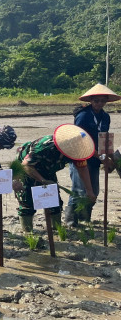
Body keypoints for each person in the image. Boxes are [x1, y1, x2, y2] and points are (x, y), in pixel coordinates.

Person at [15, 124, 96, 233]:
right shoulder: (46, 147)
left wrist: (89, 191)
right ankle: (27, 232)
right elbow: (26, 165)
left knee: (53, 201)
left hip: (48, 169)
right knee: (27, 201)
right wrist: (42, 180)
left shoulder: (76, 151)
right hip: (29, 168)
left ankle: (56, 230)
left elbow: (82, 169)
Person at [64, 84, 120, 227]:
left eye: (103, 101)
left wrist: (111, 158)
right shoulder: (83, 116)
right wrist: (102, 158)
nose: (99, 104)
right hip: (80, 156)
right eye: (96, 101)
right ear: (91, 101)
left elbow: (104, 139)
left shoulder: (105, 117)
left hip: (95, 158)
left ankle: (84, 218)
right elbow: (81, 141)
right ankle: (71, 221)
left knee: (93, 190)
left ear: (106, 101)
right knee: (79, 189)